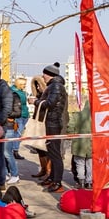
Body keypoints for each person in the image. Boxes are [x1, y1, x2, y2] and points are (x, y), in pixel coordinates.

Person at [35, 62, 67, 193]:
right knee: (51, 152)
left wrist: (36, 102)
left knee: (55, 153)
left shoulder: (56, 86)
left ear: (51, 75)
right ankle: (52, 178)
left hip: (53, 123)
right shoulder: (54, 86)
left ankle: (57, 182)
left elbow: (50, 104)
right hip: (50, 122)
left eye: (45, 74)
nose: (43, 76)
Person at [29, 74, 51, 179]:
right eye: (36, 86)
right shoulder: (39, 96)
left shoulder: (48, 95)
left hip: (47, 125)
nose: (38, 88)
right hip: (38, 125)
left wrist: (37, 102)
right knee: (40, 149)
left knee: (47, 150)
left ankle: (48, 171)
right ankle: (43, 169)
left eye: (39, 85)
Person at [68, 98, 93, 189]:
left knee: (79, 163)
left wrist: (70, 135)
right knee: (90, 164)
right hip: (92, 144)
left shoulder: (76, 116)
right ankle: (89, 182)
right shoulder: (96, 117)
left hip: (79, 144)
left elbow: (70, 127)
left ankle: (81, 182)